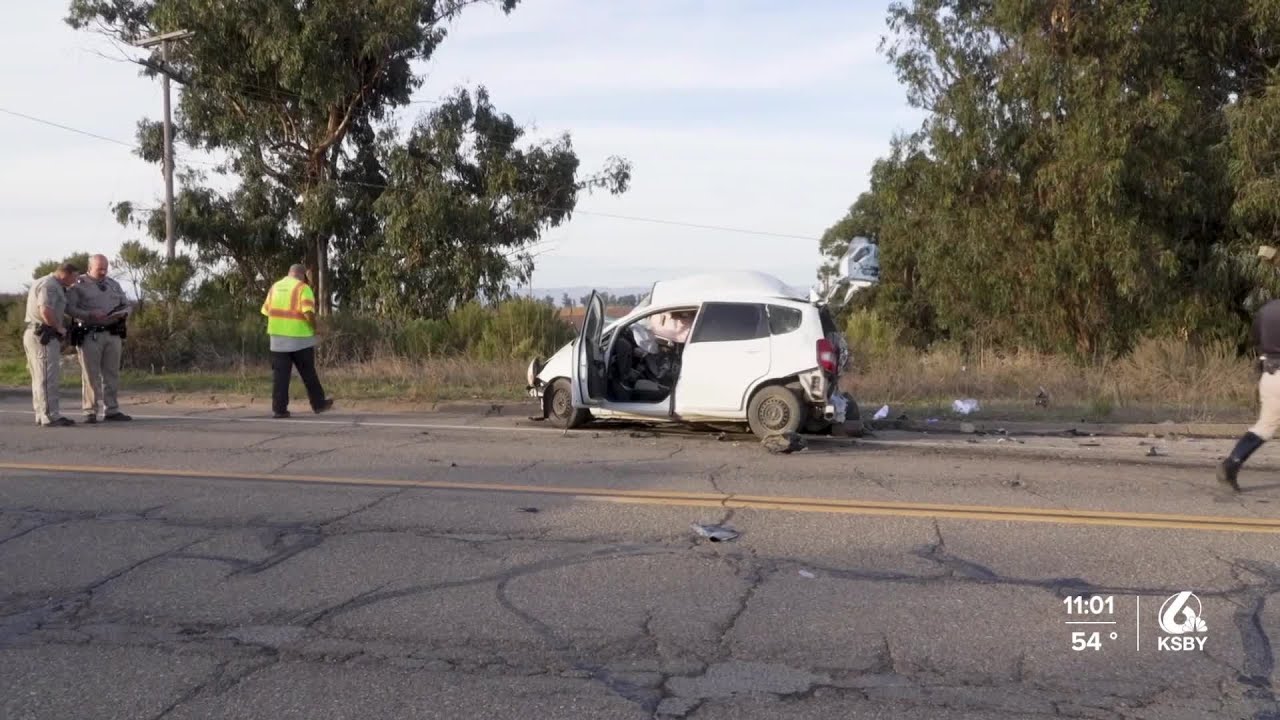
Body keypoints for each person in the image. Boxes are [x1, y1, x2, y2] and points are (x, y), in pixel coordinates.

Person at [1218, 297, 1280, 491]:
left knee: (1265, 426)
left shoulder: (1267, 310)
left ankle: (1232, 463)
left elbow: (1255, 339)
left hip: (1270, 375)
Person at [66, 254, 133, 423]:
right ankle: (90, 410)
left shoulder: (113, 284)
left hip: (113, 333)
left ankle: (112, 409)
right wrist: (89, 314)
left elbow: (126, 304)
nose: (103, 272)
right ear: (90, 268)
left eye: (105, 268)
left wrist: (124, 313)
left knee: (111, 374)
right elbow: (69, 308)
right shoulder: (78, 285)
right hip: (90, 334)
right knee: (91, 375)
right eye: (99, 269)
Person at [261, 263, 333, 418]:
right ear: (302, 275)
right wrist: (315, 328)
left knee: (280, 376)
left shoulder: (275, 287)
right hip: (300, 338)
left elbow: (266, 311)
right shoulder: (303, 288)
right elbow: (308, 313)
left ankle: (279, 410)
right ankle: (319, 404)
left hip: (277, 339)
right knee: (308, 373)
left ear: (289, 273)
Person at [23, 262, 80, 427]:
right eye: (74, 277)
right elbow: (45, 310)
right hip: (44, 336)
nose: (75, 281)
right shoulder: (51, 285)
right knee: (48, 377)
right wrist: (60, 328)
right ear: (66, 274)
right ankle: (50, 415)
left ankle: (41, 414)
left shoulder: (44, 281)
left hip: (35, 333)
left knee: (39, 377)